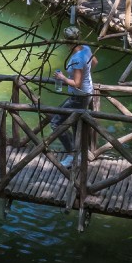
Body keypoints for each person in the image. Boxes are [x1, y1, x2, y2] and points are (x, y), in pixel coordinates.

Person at [52, 27, 95, 169]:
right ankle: (79, 153)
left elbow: (76, 83)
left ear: (67, 42)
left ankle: (71, 155)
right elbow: (94, 62)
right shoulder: (86, 49)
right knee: (77, 125)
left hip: (79, 96)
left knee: (56, 123)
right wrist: (84, 73)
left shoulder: (77, 59)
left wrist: (62, 77)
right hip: (87, 92)